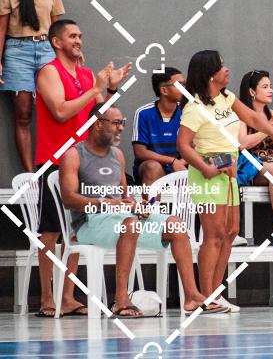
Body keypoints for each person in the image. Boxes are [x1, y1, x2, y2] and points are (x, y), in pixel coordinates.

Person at [59, 106, 227, 317]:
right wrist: (105, 203)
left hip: (121, 219)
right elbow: (68, 199)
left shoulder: (118, 155)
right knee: (130, 225)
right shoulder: (73, 155)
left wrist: (136, 206)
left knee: (175, 225)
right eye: (116, 123)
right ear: (98, 124)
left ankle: (192, 297)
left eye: (122, 123)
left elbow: (124, 196)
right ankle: (121, 300)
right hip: (88, 224)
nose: (121, 128)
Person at [34, 18, 131, 318]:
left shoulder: (89, 76)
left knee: (75, 231)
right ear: (56, 42)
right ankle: (47, 297)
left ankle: (67, 296)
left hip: (85, 160)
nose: (78, 40)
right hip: (54, 159)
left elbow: (101, 116)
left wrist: (110, 89)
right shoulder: (49, 72)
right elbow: (60, 112)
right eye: (72, 36)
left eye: (80, 36)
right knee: (51, 231)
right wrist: (95, 90)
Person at [177, 50, 273, 313]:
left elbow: (253, 118)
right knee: (213, 234)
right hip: (208, 172)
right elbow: (183, 145)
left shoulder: (227, 97)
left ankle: (215, 293)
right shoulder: (194, 107)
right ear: (209, 74)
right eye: (221, 66)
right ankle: (204, 297)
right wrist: (205, 167)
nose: (226, 69)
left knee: (231, 231)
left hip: (230, 169)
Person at [0, 0, 66, 172]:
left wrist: (67, 57)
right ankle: (31, 176)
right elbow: (1, 29)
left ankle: (58, 169)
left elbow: (58, 30)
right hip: (17, 52)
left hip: (47, 49)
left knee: (58, 111)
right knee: (24, 115)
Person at [237, 70, 273, 245]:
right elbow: (242, 143)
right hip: (251, 165)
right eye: (265, 87)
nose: (270, 90)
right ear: (252, 92)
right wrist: (269, 129)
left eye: (270, 86)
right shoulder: (243, 115)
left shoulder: (272, 114)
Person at [132, 68, 187, 186]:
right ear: (164, 90)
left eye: (185, 84)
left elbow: (196, 147)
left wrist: (181, 163)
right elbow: (140, 152)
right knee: (152, 167)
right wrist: (172, 161)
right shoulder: (143, 113)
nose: (184, 88)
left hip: (181, 165)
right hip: (153, 166)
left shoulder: (187, 111)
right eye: (179, 85)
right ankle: (153, 199)